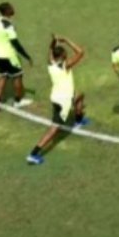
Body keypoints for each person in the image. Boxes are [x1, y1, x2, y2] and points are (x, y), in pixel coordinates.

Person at [26, 35, 90, 165]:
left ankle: (78, 120)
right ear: (62, 56)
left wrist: (53, 41)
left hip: (58, 96)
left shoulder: (51, 63)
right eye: (65, 53)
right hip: (64, 100)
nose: (67, 54)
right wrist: (66, 40)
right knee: (54, 129)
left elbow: (50, 49)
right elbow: (80, 52)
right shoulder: (65, 66)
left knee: (80, 96)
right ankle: (33, 154)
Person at [0, 2, 34, 113]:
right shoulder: (9, 27)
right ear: (6, 11)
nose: (13, 9)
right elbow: (16, 44)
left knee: (3, 76)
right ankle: (18, 101)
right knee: (18, 76)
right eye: (10, 8)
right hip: (8, 56)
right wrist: (27, 56)